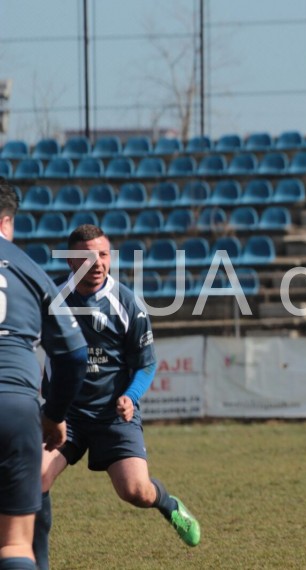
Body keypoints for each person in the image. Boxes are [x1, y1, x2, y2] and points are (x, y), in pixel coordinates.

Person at [34, 224, 200, 570]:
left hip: (114, 414)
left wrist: (131, 396)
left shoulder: (126, 302)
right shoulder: (52, 302)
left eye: (104, 255)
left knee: (135, 491)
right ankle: (37, 562)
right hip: (65, 415)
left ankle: (169, 505)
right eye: (87, 256)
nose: (97, 263)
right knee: (34, 481)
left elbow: (147, 364)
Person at [0, 181, 88, 570]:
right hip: (15, 409)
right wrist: (53, 414)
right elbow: (74, 353)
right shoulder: (30, 270)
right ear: (8, 221)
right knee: (17, 543)